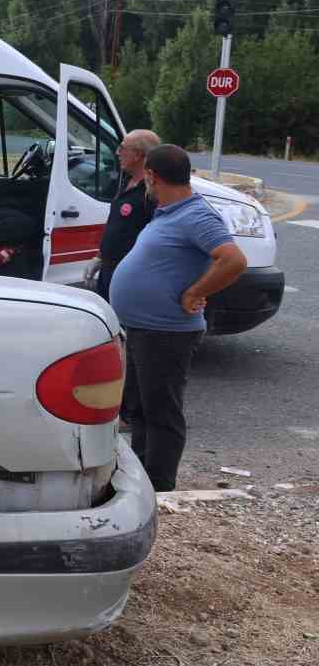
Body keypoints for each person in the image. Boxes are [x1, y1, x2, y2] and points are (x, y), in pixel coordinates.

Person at [108, 144, 247, 493]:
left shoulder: (196, 215)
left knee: (162, 412)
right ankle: (140, 479)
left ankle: (160, 487)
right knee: (139, 409)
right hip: (143, 328)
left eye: (147, 179)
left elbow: (233, 260)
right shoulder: (169, 211)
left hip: (166, 332)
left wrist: (194, 292)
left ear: (153, 176)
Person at [96, 129, 161, 300]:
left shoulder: (152, 192)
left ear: (138, 155)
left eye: (123, 148)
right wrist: (100, 257)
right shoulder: (125, 181)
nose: (118, 152)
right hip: (108, 269)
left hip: (129, 273)